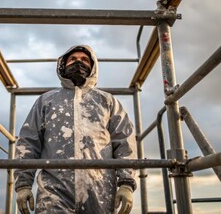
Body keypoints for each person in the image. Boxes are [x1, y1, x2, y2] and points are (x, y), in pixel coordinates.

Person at [14, 45, 137, 214]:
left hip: (100, 192)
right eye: (73, 59)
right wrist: (23, 184)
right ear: (62, 65)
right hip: (54, 193)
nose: (78, 62)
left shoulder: (107, 101)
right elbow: (28, 142)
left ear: (93, 67)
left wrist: (126, 184)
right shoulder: (46, 101)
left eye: (85, 60)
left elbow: (124, 142)